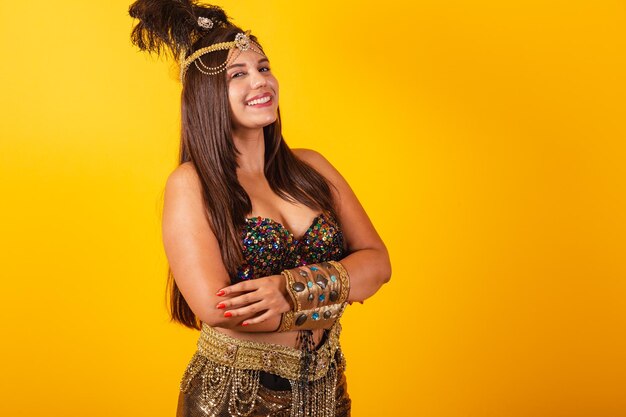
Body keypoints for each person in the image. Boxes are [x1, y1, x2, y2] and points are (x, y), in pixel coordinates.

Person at [128, 1, 391, 416]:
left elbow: (378, 265)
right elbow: (220, 310)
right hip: (234, 396)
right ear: (206, 95)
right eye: (239, 74)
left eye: (264, 68)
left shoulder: (312, 167)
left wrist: (288, 292)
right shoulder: (191, 184)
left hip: (327, 390)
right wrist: (341, 286)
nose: (260, 81)